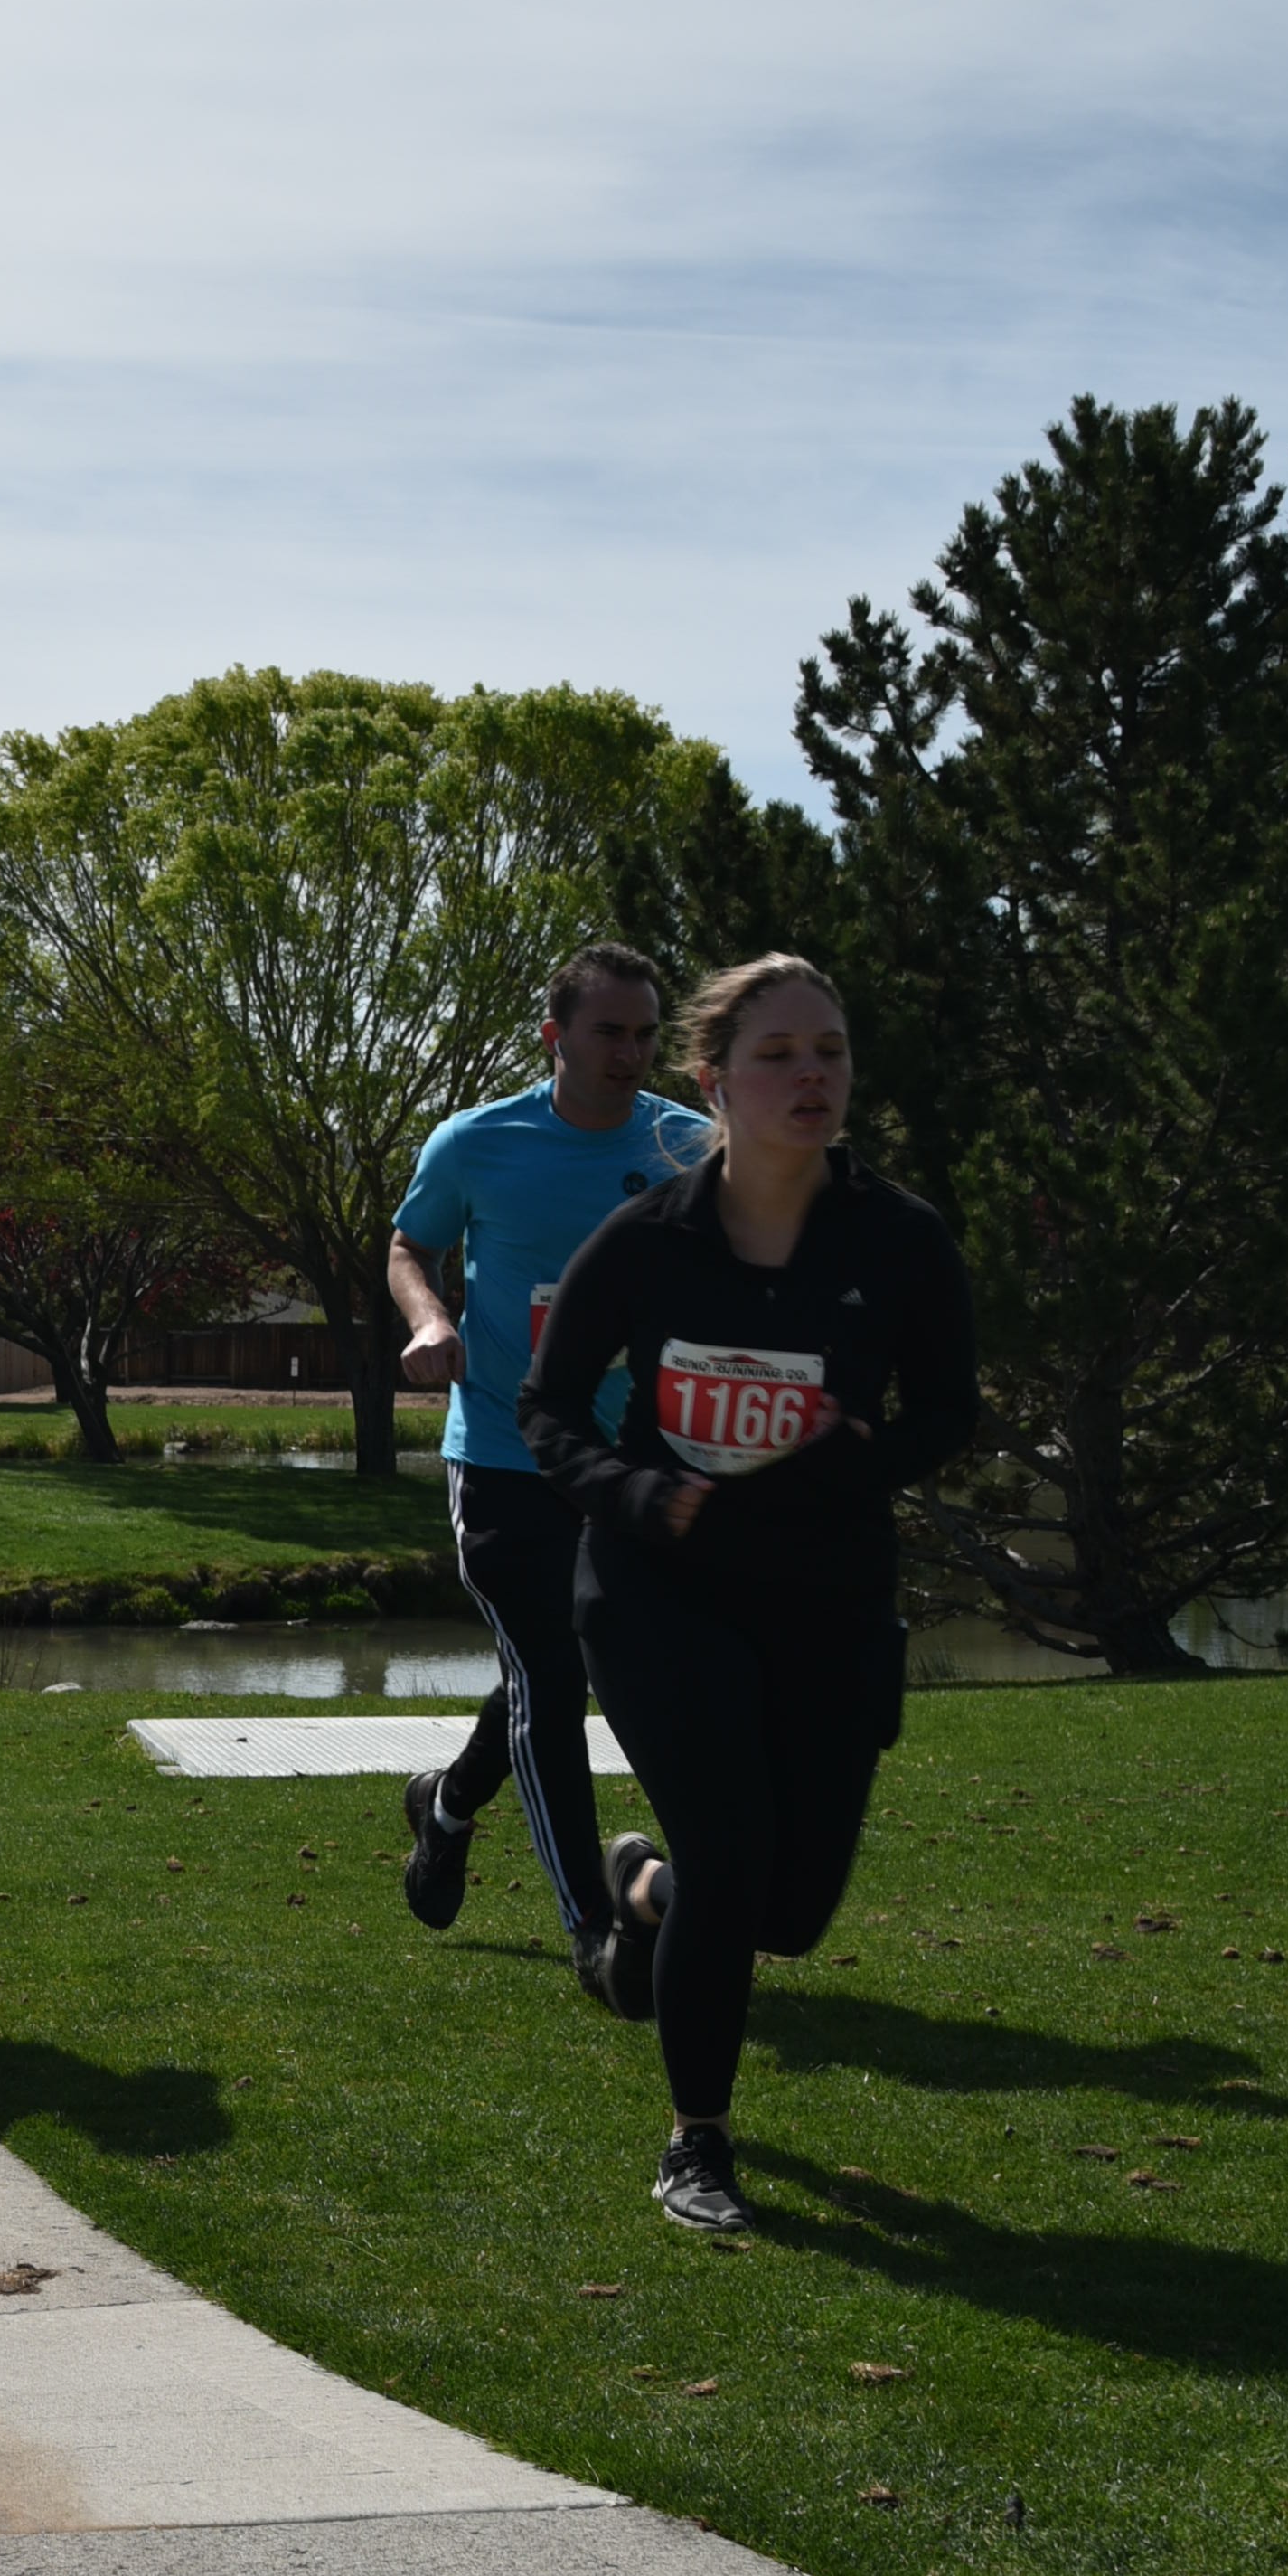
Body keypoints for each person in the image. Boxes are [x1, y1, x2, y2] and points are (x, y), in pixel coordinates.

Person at [519, 954, 978, 2239]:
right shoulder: (647, 1239)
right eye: (777, 1055)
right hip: (660, 1588)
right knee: (731, 1856)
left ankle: (643, 1893)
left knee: (789, 1911)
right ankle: (698, 2142)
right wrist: (633, 1493)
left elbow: (949, 1407)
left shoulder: (898, 1240)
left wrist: (857, 1458)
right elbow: (548, 1409)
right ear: (712, 1080)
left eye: (828, 1050)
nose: (810, 1075)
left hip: (825, 1595)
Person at [386, 943, 710, 1988]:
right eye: (606, 1031)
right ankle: (591, 1930)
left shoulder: (683, 1146)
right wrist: (430, 1319)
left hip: (632, 1464)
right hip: (502, 1452)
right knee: (550, 1674)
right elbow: (408, 1245)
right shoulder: (475, 1142)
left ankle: (443, 1805)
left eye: (644, 1034)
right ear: (553, 1037)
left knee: (577, 1667)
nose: (628, 1053)